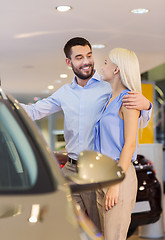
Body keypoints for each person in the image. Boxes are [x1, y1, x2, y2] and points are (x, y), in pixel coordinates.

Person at [21, 37, 152, 232]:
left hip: (98, 171)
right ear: (69, 62)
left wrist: (147, 105)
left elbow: (133, 126)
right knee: (67, 228)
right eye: (80, 57)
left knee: (100, 230)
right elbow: (33, 112)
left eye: (89, 56)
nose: (87, 62)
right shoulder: (64, 93)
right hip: (72, 170)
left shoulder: (109, 87)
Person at [94, 48, 145, 239]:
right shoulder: (109, 99)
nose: (102, 66)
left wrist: (115, 184)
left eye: (106, 62)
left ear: (116, 69)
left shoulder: (129, 100)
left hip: (118, 176)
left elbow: (129, 145)